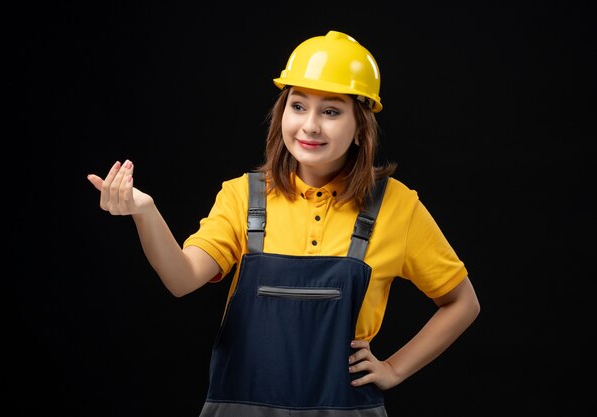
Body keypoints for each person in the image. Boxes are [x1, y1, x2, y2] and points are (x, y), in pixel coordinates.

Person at [87, 30, 480, 417]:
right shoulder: (244, 197)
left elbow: (462, 303)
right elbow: (182, 277)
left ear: (360, 126)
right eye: (298, 106)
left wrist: (394, 368)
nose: (310, 125)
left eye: (331, 110)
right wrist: (145, 211)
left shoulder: (396, 206)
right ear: (282, 112)